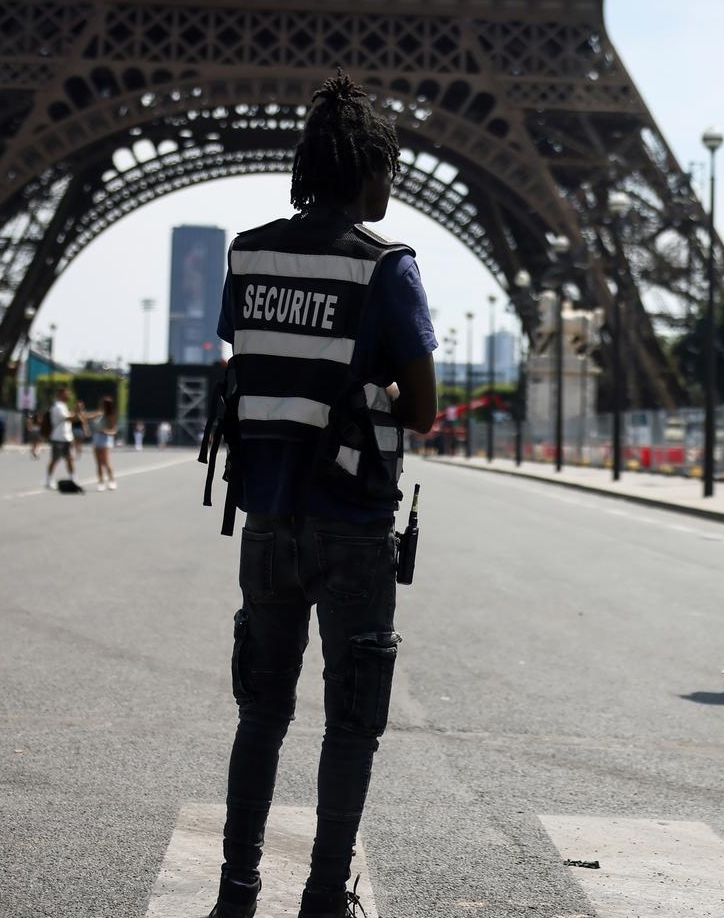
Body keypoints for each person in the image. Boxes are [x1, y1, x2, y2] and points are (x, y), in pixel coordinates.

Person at [204, 72, 438, 918]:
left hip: (265, 518)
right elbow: (424, 409)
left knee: (260, 715)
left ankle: (235, 892)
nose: (394, 184)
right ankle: (323, 897)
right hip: (352, 522)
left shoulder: (249, 253)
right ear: (364, 168)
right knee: (352, 720)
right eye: (388, 168)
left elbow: (248, 364)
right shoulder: (389, 268)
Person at [43, 386, 77, 488]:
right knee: (54, 459)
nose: (69, 395)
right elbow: (68, 418)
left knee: (70, 459)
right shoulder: (58, 406)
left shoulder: (64, 406)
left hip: (67, 437)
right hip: (58, 437)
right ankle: (49, 480)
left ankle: (73, 478)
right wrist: (77, 411)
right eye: (67, 393)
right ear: (61, 394)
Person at [89, 395, 119, 490]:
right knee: (98, 463)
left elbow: (114, 430)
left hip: (105, 439)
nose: (102, 405)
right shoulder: (98, 413)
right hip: (96, 438)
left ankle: (112, 480)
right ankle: (101, 482)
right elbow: (88, 417)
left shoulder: (111, 415)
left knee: (106, 462)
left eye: (104, 404)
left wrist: (105, 431)